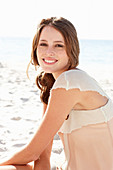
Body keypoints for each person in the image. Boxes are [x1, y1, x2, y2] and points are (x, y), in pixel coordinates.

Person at [0, 17, 113, 170]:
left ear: (71, 49)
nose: (49, 52)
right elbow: (42, 156)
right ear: (35, 48)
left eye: (59, 45)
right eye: (43, 44)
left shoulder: (71, 81)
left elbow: (31, 153)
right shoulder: (52, 84)